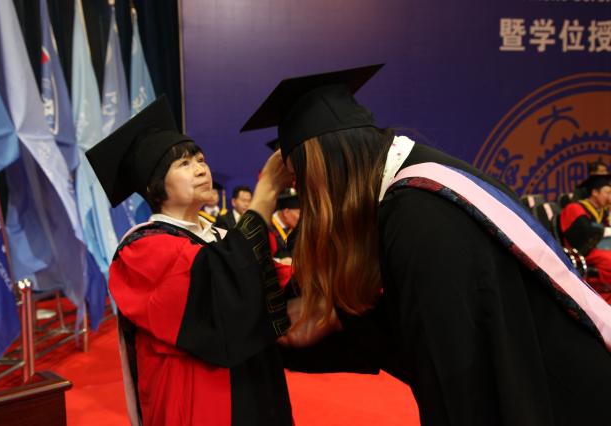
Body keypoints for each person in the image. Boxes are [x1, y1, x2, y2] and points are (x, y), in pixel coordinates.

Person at [242, 65, 611, 425]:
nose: (306, 198)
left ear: (329, 170)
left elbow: (453, 377)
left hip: (566, 399)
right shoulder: (422, 183)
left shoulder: (417, 216)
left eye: (301, 180)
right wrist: (342, 322)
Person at [86, 96, 293, 426]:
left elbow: (274, 280)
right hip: (200, 400)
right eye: (183, 164)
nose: (201, 169)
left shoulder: (221, 235)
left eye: (200, 159)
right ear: (154, 185)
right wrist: (266, 192)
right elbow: (220, 285)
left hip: (254, 386)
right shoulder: (141, 249)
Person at [560, 174, 611, 302]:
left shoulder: (603, 212)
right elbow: (583, 234)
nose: (609, 197)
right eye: (607, 192)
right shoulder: (574, 208)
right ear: (595, 192)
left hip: (599, 249)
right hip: (583, 251)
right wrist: (605, 230)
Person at [270, 188, 300, 262]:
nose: (301, 218)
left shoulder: (299, 230)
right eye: (299, 213)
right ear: (286, 212)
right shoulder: (265, 228)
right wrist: (279, 261)